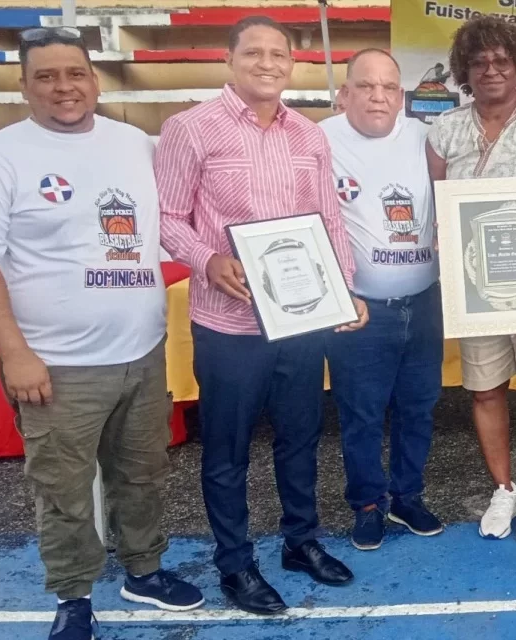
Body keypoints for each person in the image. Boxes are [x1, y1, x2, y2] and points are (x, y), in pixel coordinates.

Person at [0, 27, 203, 640]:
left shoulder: (134, 145)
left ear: (94, 78)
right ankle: (73, 595)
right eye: (46, 76)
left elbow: (176, 218)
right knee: (62, 490)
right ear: (23, 85)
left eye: (75, 73)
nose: (64, 87)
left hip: (141, 353)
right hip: (54, 363)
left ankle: (143, 571)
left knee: (142, 474)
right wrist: (15, 354)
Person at [155, 16, 366, 615]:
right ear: (230, 59)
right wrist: (206, 258)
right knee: (227, 450)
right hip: (229, 325)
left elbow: (328, 220)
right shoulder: (189, 129)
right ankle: (235, 564)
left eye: (279, 54)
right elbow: (168, 217)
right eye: (255, 52)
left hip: (300, 319)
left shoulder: (308, 135)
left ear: (292, 65)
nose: (268, 63)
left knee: (300, 438)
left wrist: (344, 291)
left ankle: (301, 542)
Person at [426, 15, 516, 544]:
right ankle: (504, 488)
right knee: (486, 389)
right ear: (465, 70)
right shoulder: (444, 130)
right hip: (476, 289)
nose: (490, 69)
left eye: (501, 60)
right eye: (479, 61)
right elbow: (442, 210)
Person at [320, 49, 444, 551]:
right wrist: (338, 292)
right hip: (359, 309)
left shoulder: (427, 138)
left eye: (389, 87)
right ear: (344, 93)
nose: (378, 96)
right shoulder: (318, 141)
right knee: (362, 413)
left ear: (401, 96)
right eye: (366, 86)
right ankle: (368, 504)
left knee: (419, 407)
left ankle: (408, 496)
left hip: (425, 299)